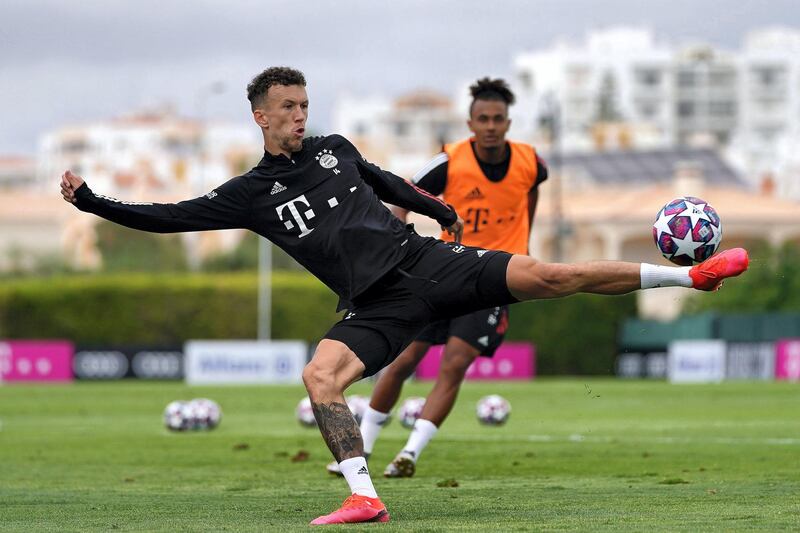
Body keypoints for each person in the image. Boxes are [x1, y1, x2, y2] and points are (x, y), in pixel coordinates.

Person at [60, 66, 749, 526]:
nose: (301, 115)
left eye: (305, 104)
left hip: (426, 261)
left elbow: (388, 181)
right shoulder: (249, 195)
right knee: (320, 376)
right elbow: (166, 213)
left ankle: (691, 275)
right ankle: (364, 496)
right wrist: (92, 200)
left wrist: (436, 209)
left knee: (552, 275)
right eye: (289, 108)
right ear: (260, 117)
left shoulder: (334, 147)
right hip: (377, 305)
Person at [326, 77, 547, 479]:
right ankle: (366, 447)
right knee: (402, 359)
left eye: (498, 118)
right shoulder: (448, 162)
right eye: (484, 118)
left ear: (509, 122)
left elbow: (530, 196)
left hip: (494, 277)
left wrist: (523, 247)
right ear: (471, 122)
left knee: (454, 364)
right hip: (446, 269)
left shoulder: (532, 162)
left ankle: (409, 454)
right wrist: (392, 254)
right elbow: (401, 198)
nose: (492, 125)